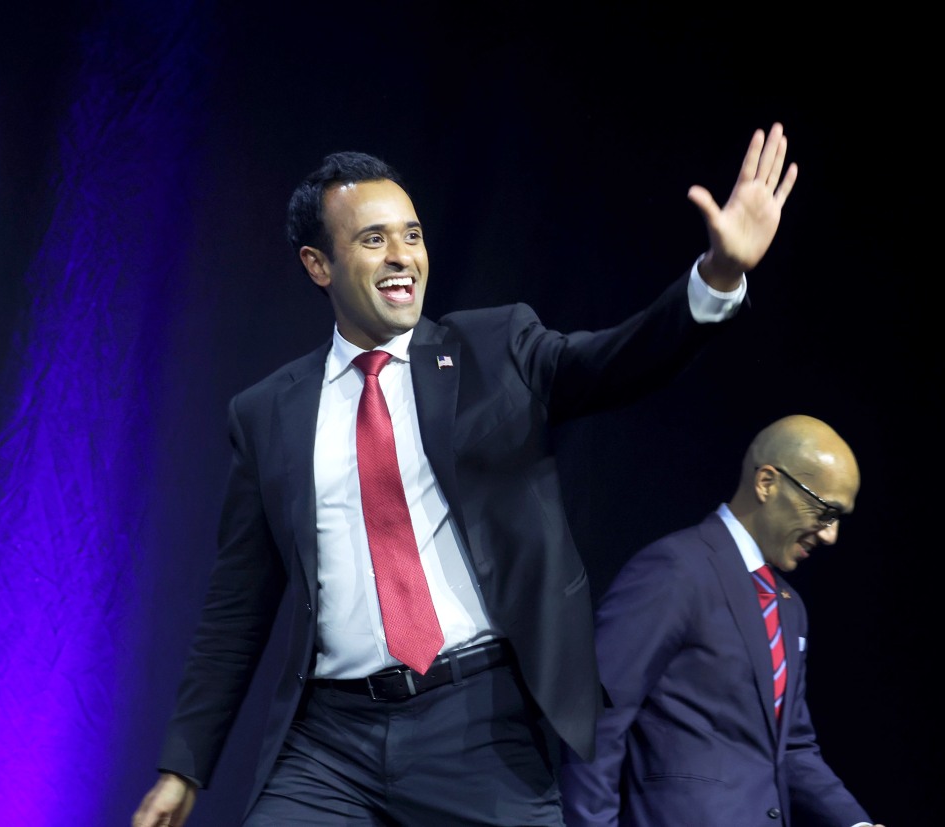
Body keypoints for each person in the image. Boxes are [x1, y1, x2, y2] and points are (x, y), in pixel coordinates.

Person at [131, 123, 798, 827]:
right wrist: (184, 767)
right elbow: (236, 608)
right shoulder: (268, 413)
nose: (402, 258)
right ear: (318, 264)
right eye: (373, 239)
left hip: (480, 729)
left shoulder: (495, 346)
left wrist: (718, 276)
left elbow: (616, 362)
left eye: (413, 235)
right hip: (329, 744)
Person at [559, 414, 884, 827]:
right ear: (767, 482)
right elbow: (596, 718)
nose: (829, 534)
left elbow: (792, 748)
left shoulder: (789, 608)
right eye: (824, 511)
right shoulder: (676, 570)